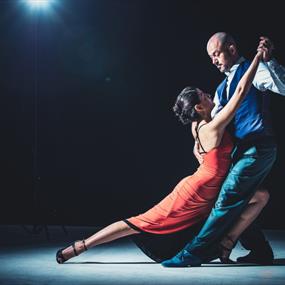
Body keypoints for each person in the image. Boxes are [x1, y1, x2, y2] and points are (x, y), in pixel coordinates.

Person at [56, 42, 266, 265]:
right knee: (140, 222)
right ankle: (80, 247)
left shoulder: (197, 125)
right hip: (194, 194)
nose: (208, 95)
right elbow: (241, 92)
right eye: (204, 96)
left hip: (210, 188)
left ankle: (226, 244)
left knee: (260, 196)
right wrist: (256, 59)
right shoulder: (212, 128)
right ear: (198, 108)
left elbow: (199, 151)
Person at [162, 33, 285, 267]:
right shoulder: (220, 89)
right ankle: (260, 250)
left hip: (258, 147)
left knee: (228, 197)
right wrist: (197, 143)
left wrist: (269, 62)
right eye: (210, 57)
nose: (214, 61)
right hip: (240, 152)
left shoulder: (255, 69)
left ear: (231, 48)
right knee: (242, 198)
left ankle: (194, 253)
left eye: (216, 54)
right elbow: (212, 121)